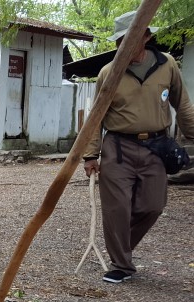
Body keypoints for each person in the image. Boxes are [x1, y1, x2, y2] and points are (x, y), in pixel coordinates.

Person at [83, 10, 194, 284]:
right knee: (116, 209)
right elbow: (95, 117)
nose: (127, 43)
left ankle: (122, 248)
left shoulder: (167, 65)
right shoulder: (108, 73)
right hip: (118, 148)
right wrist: (90, 155)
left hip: (156, 147)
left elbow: (182, 104)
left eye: (134, 36)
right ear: (118, 42)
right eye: (122, 39)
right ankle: (121, 264)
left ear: (146, 36)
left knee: (153, 206)